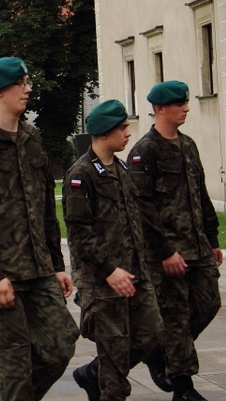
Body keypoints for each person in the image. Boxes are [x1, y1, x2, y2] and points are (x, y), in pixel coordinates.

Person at [0, 57, 79, 401]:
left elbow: (44, 209)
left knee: (61, 345)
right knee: (14, 360)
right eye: (21, 83)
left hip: (37, 270)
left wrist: (57, 264)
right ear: (0, 91)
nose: (28, 89)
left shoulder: (31, 137)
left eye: (27, 82)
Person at [127, 80, 222, 401]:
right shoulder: (144, 152)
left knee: (209, 303)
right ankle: (184, 387)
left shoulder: (189, 144)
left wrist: (213, 237)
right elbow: (141, 208)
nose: (186, 108)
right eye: (179, 104)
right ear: (159, 109)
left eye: (185, 103)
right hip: (167, 251)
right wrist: (164, 251)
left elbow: (201, 194)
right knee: (176, 315)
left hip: (198, 246)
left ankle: (159, 352)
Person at [63, 100, 162, 400]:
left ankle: (93, 374)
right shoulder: (81, 175)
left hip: (134, 273)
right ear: (105, 132)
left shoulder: (119, 167)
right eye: (122, 128)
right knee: (115, 350)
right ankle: (108, 388)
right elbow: (79, 233)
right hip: (102, 281)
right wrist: (109, 270)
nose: (128, 132)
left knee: (152, 334)